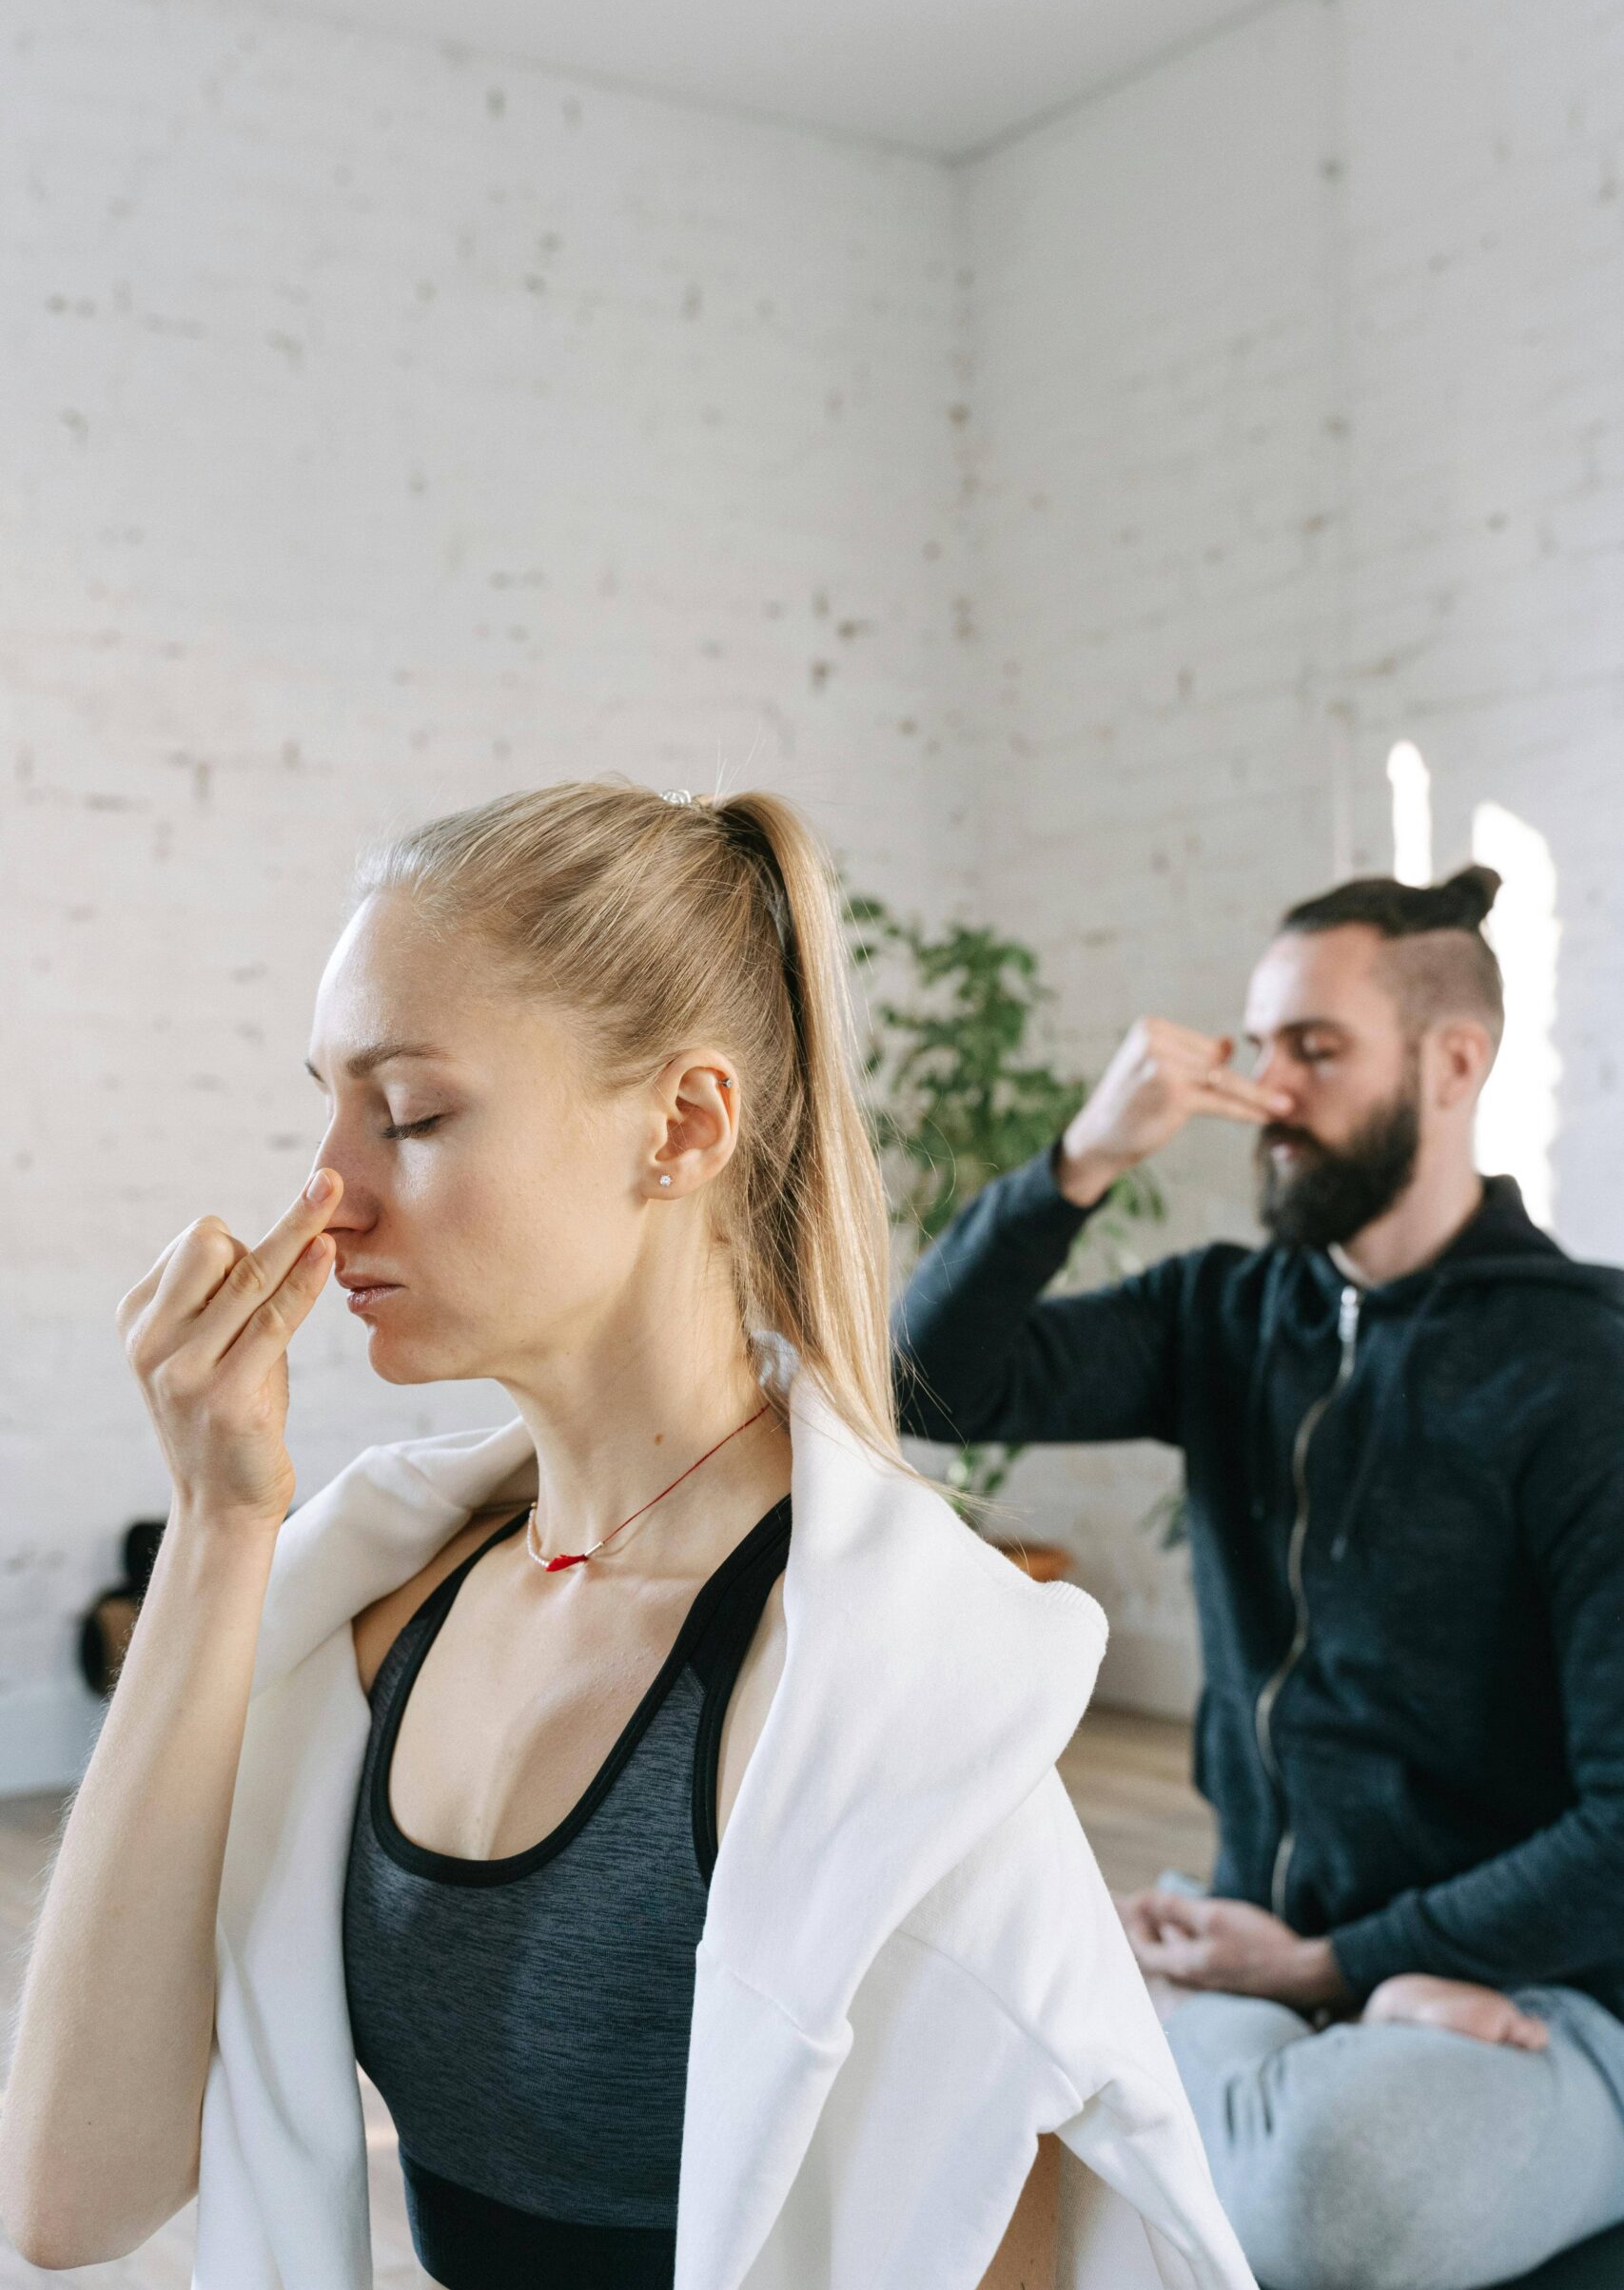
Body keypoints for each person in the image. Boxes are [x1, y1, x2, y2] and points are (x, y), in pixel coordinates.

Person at [0, 780, 1255, 2290]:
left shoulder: (864, 1702)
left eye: (408, 1113)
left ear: (684, 1124)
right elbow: (69, 2201)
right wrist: (218, 1519)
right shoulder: (384, 1611)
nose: (325, 1196)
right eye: (327, 1106)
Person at [894, 866, 1624, 2290]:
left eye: (1317, 1049)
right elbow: (933, 1375)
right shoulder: (1226, 1314)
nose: (1266, 1088)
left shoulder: (1587, 1370)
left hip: (1546, 1995)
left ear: (1454, 1062)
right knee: (939, 2037)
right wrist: (1079, 1163)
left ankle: (1216, 2054)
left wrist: (1328, 1971)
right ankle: (1233, 2038)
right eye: (1260, 1042)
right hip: (1271, 1949)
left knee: (1326, 2190)